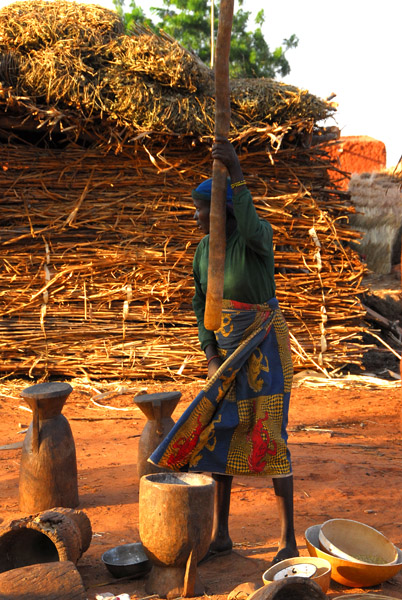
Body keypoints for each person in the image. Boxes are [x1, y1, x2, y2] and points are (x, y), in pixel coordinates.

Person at [149, 136, 298, 566]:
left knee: (269, 436)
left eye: (200, 209)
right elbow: (201, 304)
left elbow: (252, 228)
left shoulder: (255, 241)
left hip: (265, 348)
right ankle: (222, 534)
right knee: (221, 434)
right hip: (227, 355)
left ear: (221, 211)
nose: (194, 218)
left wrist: (236, 174)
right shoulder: (202, 253)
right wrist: (209, 351)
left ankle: (287, 538)